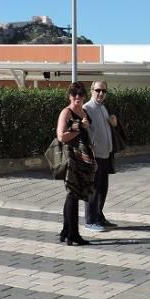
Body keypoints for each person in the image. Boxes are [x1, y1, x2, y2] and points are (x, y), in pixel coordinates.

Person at [56, 82, 96, 246]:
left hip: (84, 158)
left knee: (74, 194)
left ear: (85, 96)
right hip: (71, 156)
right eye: (74, 94)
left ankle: (66, 231)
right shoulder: (66, 112)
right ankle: (73, 234)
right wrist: (79, 126)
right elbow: (61, 136)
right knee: (73, 193)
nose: (77, 97)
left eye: (80, 94)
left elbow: (88, 134)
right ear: (69, 96)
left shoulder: (84, 111)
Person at [83, 80, 119, 232]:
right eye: (98, 90)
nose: (101, 93)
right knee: (93, 189)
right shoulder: (87, 108)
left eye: (104, 91)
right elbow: (82, 131)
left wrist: (114, 123)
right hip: (94, 156)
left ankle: (99, 216)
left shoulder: (103, 108)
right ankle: (90, 220)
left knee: (103, 188)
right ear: (91, 91)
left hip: (105, 155)